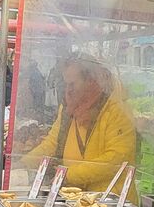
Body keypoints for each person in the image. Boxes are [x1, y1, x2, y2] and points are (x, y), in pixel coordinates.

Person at [24, 57, 138, 199]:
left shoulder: (117, 110)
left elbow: (115, 160)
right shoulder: (69, 108)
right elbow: (52, 143)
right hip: (77, 196)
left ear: (90, 82)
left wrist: (69, 175)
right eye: (66, 84)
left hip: (110, 200)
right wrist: (24, 163)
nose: (68, 90)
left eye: (72, 84)